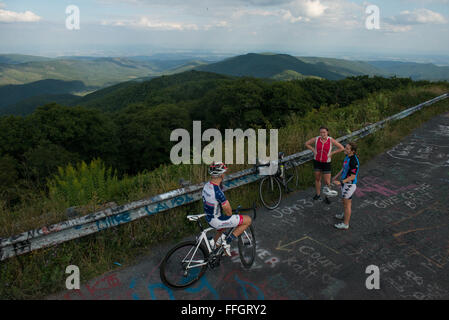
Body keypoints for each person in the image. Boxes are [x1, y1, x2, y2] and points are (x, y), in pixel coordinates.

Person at [202, 162, 252, 255]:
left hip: (209, 217)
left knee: (222, 228)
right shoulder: (218, 192)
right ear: (221, 175)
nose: (225, 174)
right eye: (224, 173)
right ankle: (227, 242)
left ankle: (215, 246)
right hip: (216, 220)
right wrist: (232, 218)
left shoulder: (206, 186)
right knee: (248, 220)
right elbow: (228, 211)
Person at [305, 126, 344, 204]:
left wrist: (332, 153)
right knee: (317, 179)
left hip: (326, 163)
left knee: (327, 181)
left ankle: (327, 196)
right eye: (321, 132)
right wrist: (313, 150)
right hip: (317, 161)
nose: (322, 134)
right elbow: (306, 143)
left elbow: (341, 148)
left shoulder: (330, 140)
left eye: (324, 132)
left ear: (327, 132)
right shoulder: (316, 139)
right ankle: (318, 194)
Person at [332, 141, 360, 230]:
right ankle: (344, 215)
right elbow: (343, 168)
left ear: (353, 151)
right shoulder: (347, 156)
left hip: (349, 185)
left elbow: (352, 176)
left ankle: (345, 224)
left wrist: (340, 182)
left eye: (347, 148)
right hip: (345, 184)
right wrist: (336, 176)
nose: (345, 149)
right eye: (345, 147)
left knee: (347, 204)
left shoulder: (353, 161)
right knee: (345, 202)